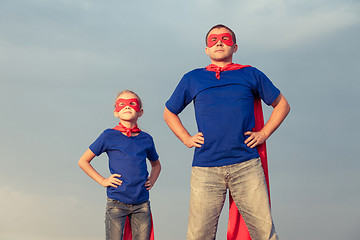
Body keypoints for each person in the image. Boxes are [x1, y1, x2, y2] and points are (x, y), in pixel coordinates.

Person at [163, 24, 290, 240]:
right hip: (205, 169)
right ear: (206, 49)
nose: (219, 42)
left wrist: (264, 133)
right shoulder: (192, 78)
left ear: (235, 46)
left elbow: (282, 105)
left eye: (225, 38)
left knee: (264, 234)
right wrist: (186, 138)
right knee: (198, 235)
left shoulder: (251, 74)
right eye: (212, 40)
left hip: (246, 165)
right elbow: (169, 112)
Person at [79, 90, 161, 240]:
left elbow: (156, 165)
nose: (127, 106)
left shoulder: (146, 139)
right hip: (116, 203)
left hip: (142, 204)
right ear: (116, 112)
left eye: (132, 103)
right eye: (122, 104)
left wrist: (152, 181)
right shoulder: (108, 136)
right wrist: (103, 180)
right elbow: (83, 161)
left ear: (140, 112)